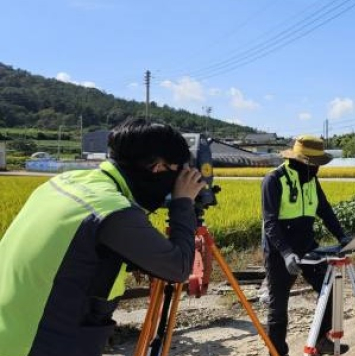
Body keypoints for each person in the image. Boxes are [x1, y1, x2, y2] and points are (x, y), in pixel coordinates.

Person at [0, 118, 207, 356]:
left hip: (10, 329)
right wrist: (183, 204)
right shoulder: (114, 211)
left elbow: (75, 250)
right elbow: (177, 268)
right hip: (39, 342)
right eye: (179, 171)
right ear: (159, 167)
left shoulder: (65, 182)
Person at [261, 135, 352, 356]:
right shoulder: (274, 180)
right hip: (279, 251)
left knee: (329, 290)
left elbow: (325, 210)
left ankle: (321, 339)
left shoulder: (312, 180)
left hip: (307, 246)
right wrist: (285, 253)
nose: (318, 169)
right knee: (278, 308)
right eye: (315, 164)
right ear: (302, 161)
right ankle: (277, 352)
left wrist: (342, 236)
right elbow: (270, 222)